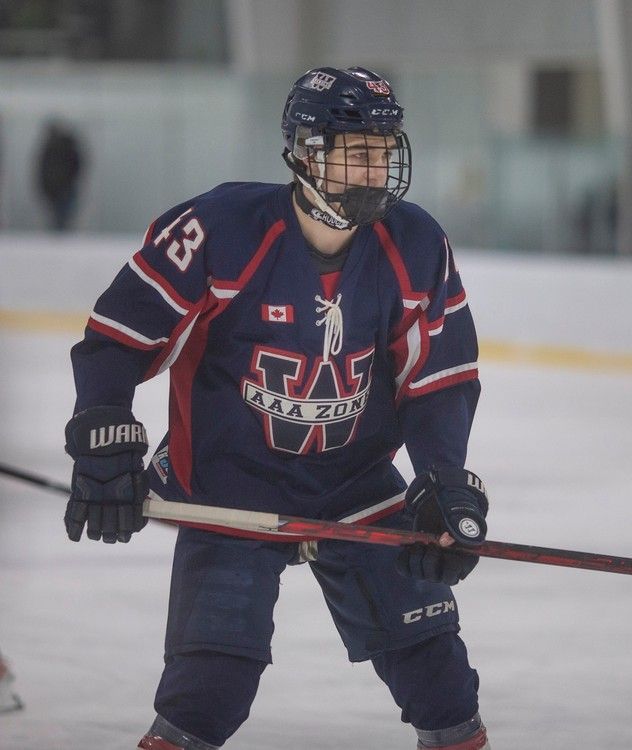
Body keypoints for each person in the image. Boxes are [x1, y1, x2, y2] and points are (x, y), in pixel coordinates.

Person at [62, 67, 491, 750]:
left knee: (440, 680)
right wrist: (103, 428)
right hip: (229, 486)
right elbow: (121, 336)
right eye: (357, 151)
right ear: (306, 153)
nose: (376, 169)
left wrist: (442, 478)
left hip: (356, 485)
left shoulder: (415, 244)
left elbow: (440, 379)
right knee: (208, 693)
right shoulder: (219, 229)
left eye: (383, 151)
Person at [37, 121, 84, 231]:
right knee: (62, 216)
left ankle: (60, 236)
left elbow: (43, 169)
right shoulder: (68, 146)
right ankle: (61, 236)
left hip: (58, 187)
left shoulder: (50, 148)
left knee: (59, 216)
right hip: (63, 186)